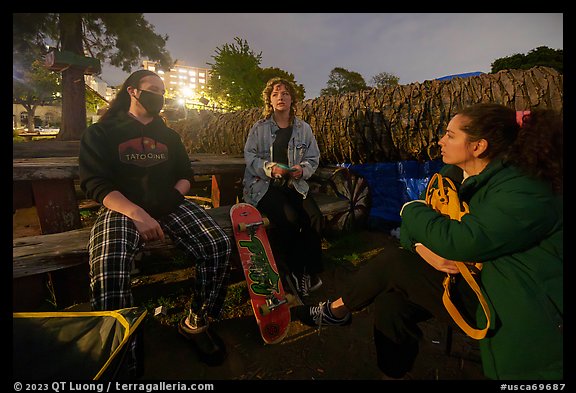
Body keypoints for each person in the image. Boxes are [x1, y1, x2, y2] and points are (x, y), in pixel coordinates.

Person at [296, 103, 563, 380]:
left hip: (508, 301)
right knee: (391, 303)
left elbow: (460, 240)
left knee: (395, 263)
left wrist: (410, 210)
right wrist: (424, 249)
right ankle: (393, 373)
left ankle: (336, 310)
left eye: (450, 135)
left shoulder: (524, 188)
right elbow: (416, 232)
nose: (440, 141)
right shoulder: (460, 176)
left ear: (478, 146)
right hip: (472, 277)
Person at [79, 69, 232, 372]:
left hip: (170, 204)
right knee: (108, 263)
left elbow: (186, 176)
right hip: (121, 208)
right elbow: (96, 184)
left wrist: (172, 198)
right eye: (153, 90)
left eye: (163, 92)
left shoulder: (169, 135)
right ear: (133, 91)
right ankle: (121, 353)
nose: (160, 97)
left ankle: (196, 323)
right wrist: (138, 214)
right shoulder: (102, 132)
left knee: (217, 244)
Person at [242, 77, 324, 297]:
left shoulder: (303, 128)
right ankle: (294, 273)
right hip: (264, 185)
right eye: (276, 93)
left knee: (314, 216)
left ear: (292, 99)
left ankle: (310, 271)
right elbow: (249, 158)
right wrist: (270, 168)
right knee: (290, 220)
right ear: (270, 99)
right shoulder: (259, 128)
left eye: (285, 93)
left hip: (294, 183)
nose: (281, 97)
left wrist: (302, 169)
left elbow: (313, 158)